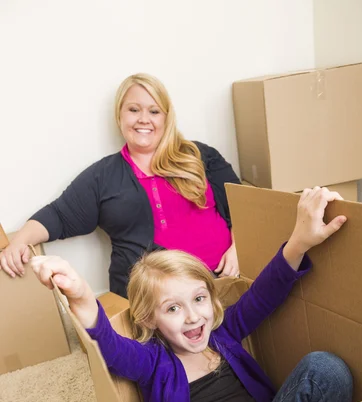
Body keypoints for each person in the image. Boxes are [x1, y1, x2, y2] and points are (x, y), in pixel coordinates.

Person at [31, 187, 353, 402]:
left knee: (324, 367)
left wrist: (299, 241)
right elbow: (111, 349)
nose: (193, 316)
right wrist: (83, 296)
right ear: (148, 319)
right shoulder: (152, 361)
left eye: (199, 299)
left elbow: (263, 294)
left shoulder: (223, 334)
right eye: (173, 308)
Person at [0, 73, 241, 297]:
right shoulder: (103, 176)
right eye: (134, 110)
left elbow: (245, 208)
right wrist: (20, 240)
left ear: (166, 117)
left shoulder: (200, 155)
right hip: (150, 300)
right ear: (120, 116)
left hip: (220, 282)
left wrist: (240, 248)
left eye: (154, 111)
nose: (143, 119)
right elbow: (58, 215)